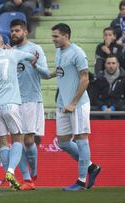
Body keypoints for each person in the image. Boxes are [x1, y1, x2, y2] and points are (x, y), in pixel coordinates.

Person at [0, 31, 37, 191]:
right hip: (10, 103)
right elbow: (31, 57)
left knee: (3, 143)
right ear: (3, 43)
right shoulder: (12, 54)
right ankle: (10, 171)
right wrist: (33, 59)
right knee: (18, 138)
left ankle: (11, 182)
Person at [48, 23, 101, 191]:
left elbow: (85, 79)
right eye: (53, 36)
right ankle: (92, 167)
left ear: (66, 36)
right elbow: (57, 72)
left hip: (77, 105)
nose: (53, 39)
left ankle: (80, 182)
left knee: (81, 140)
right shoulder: (58, 52)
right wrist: (37, 68)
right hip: (63, 104)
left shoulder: (77, 53)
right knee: (63, 142)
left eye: (56, 36)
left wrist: (73, 103)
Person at [10, 19, 49, 190]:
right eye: (12, 31)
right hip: (13, 101)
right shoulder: (10, 52)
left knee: (28, 140)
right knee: (17, 141)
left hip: (31, 99)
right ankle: (27, 179)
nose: (14, 34)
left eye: (17, 30)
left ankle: (34, 170)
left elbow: (47, 73)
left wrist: (36, 65)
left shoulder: (35, 49)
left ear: (25, 32)